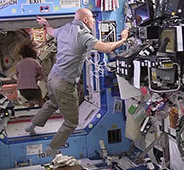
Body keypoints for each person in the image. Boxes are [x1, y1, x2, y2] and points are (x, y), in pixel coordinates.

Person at [25, 8, 129, 156]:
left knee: (52, 103)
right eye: (92, 18)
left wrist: (46, 23)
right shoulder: (84, 35)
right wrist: (123, 39)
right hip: (64, 84)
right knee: (71, 122)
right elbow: (106, 48)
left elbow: (50, 31)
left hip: (53, 77)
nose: (94, 21)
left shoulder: (65, 28)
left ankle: (32, 125)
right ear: (85, 20)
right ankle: (51, 149)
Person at [16, 42, 44, 107]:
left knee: (31, 100)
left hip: (22, 89)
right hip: (32, 87)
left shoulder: (19, 64)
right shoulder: (34, 62)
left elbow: (17, 75)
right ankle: (41, 110)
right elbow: (41, 73)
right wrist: (39, 78)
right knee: (40, 99)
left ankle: (31, 110)